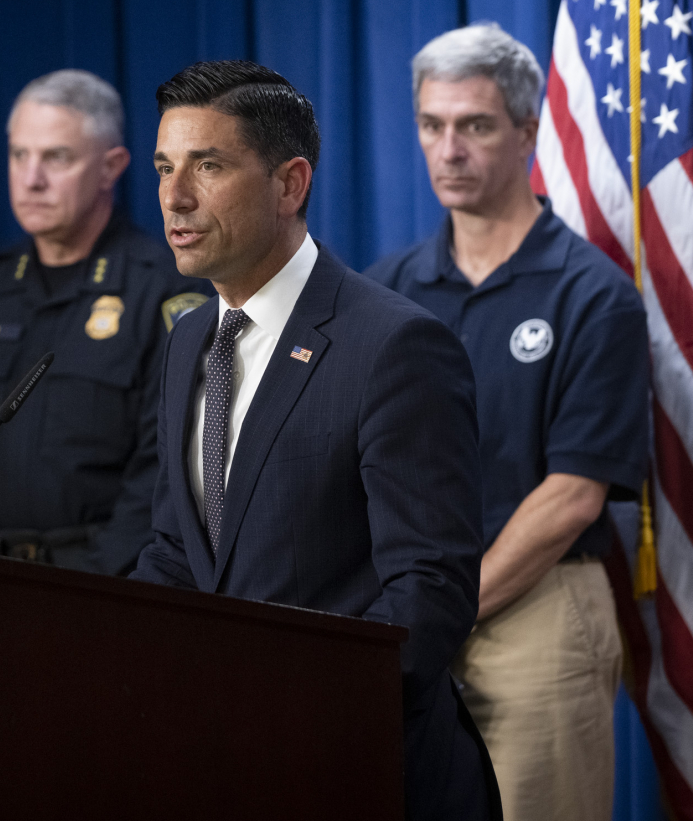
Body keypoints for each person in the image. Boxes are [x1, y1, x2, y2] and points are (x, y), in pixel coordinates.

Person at [132, 60, 496, 820]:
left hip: (356, 768)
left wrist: (291, 716)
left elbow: (429, 594)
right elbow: (178, 549)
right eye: (165, 166)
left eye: (208, 166)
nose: (174, 197)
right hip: (217, 765)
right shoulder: (187, 339)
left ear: (290, 184)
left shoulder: (394, 345)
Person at [365, 23, 648, 821]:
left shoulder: (593, 295)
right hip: (405, 617)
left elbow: (574, 495)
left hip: (537, 613)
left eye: (476, 126)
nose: (449, 149)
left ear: (527, 132)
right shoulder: (387, 291)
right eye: (432, 125)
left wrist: (442, 609)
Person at [0, 70, 209, 575]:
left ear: (112, 167)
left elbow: (166, 476)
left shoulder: (165, 293)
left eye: (56, 158)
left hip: (104, 593)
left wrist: (80, 597)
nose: (31, 178)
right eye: (20, 155)